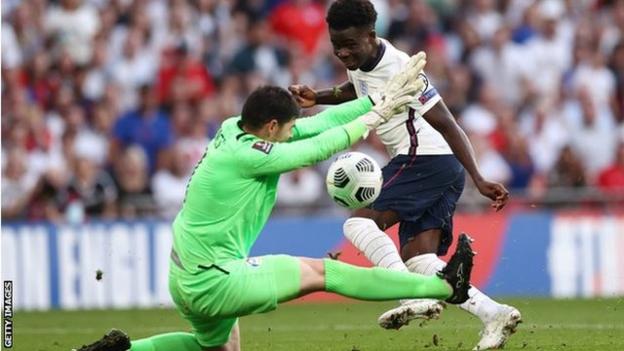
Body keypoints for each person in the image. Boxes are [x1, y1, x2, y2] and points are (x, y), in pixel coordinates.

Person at [74, 55, 476, 351]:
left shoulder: (233, 128)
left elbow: (314, 125)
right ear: (269, 127)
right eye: (285, 130)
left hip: (185, 276)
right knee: (326, 273)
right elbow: (318, 146)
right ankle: (442, 286)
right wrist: (375, 117)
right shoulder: (251, 156)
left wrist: (378, 100)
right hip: (215, 279)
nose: (290, 134)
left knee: (213, 347)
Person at [288, 1, 520, 350]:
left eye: (350, 44)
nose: (343, 52)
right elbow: (359, 88)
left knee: (358, 224)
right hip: (435, 166)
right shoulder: (362, 60)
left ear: (371, 35)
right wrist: (318, 96)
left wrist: (479, 177)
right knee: (420, 260)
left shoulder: (400, 67)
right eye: (337, 46)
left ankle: (406, 298)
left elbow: (447, 122)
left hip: (426, 158)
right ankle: (494, 314)